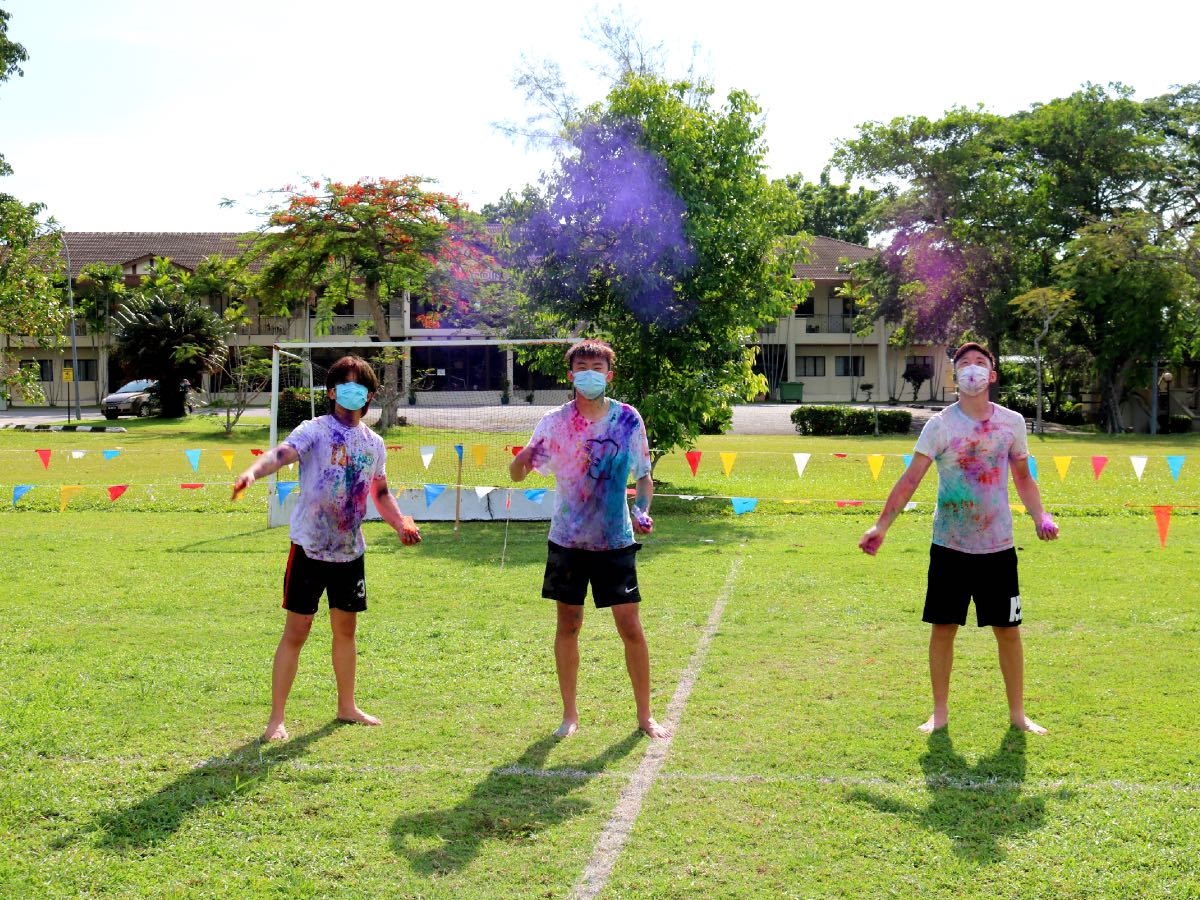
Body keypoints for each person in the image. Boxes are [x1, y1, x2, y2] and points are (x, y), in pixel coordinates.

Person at [858, 342, 1058, 735]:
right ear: (955, 376)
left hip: (997, 547)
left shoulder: (1012, 423)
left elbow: (1022, 477)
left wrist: (1041, 516)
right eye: (963, 363)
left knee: (1008, 631)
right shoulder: (940, 425)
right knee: (943, 628)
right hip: (949, 545)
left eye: (980, 363)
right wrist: (881, 526)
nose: (972, 369)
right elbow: (910, 479)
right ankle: (940, 713)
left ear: (992, 375)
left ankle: (1018, 715)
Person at [232, 356, 421, 741]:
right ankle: (276, 720)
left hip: (350, 551)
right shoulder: (314, 430)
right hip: (309, 547)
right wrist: (253, 471)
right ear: (332, 391)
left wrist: (401, 522)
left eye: (361, 386)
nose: (353, 392)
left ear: (369, 395)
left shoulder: (374, 443)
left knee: (345, 630)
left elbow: (380, 492)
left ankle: (347, 706)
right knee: (297, 630)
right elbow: (281, 454)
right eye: (345, 384)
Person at [509, 339, 669, 740]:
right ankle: (569, 715)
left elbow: (643, 477)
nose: (589, 374)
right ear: (570, 375)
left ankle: (645, 716)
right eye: (582, 367)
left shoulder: (628, 419)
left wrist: (642, 510)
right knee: (569, 624)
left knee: (630, 626)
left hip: (615, 540)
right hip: (568, 541)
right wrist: (523, 457)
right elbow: (517, 475)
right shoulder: (554, 422)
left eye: (597, 368)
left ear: (609, 375)